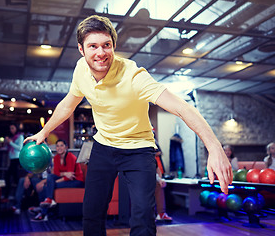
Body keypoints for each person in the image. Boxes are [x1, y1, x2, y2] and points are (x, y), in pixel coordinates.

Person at [24, 15, 232, 235]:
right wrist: (44, 132)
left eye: (107, 45)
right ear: (81, 49)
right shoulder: (80, 70)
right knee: (92, 212)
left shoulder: (134, 76)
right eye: (93, 46)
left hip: (138, 148)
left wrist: (215, 148)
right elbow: (69, 103)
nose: (101, 53)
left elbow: (183, 108)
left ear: (114, 46)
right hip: (103, 146)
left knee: (142, 214)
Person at [30, 139, 84, 222]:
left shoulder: (71, 157)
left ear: (66, 147)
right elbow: (56, 173)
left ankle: (44, 213)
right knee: (50, 177)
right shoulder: (56, 158)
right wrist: (64, 173)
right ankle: (48, 201)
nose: (59, 148)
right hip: (67, 179)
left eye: (61, 145)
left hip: (77, 181)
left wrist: (54, 182)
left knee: (50, 186)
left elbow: (70, 177)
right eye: (57, 146)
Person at [4, 123, 24, 199]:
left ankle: (10, 195)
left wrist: (10, 142)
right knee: (14, 178)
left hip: (16, 159)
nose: (11, 130)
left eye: (12, 128)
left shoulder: (20, 136)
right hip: (12, 159)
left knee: (10, 177)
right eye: (10, 128)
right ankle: (17, 196)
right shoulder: (13, 137)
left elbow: (19, 148)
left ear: (16, 128)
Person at [155, 151, 172, 222]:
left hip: (151, 177)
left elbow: (156, 169)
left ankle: (161, 213)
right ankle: (148, 215)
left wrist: (160, 179)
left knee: (160, 184)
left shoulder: (152, 159)